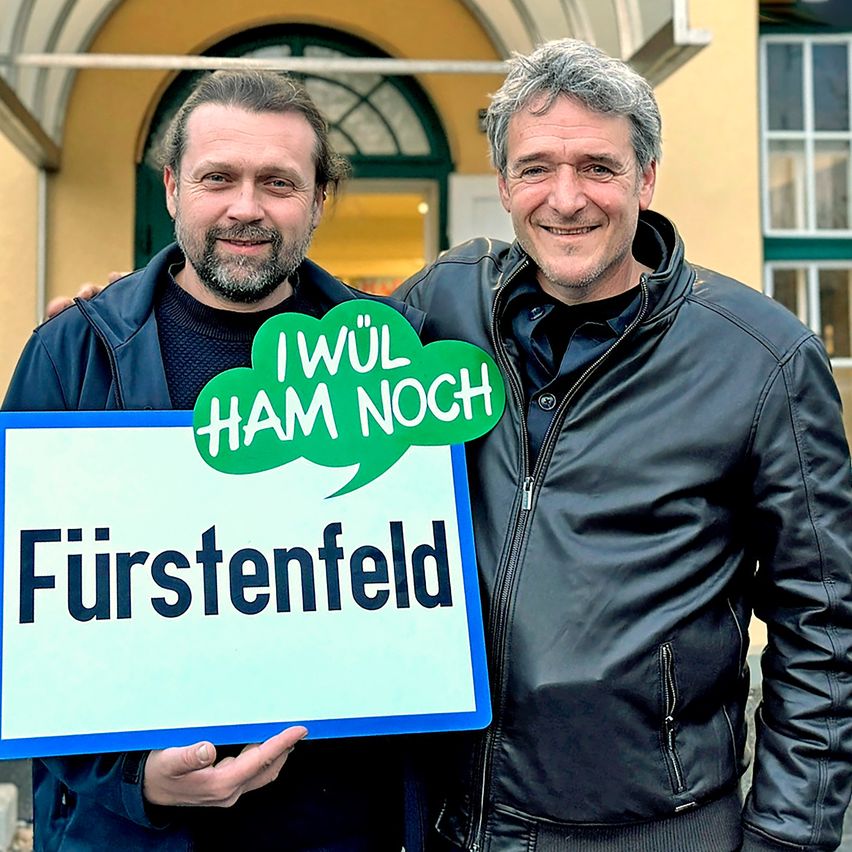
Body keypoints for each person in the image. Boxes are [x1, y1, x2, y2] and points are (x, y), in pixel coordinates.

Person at [394, 38, 852, 852]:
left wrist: (788, 839)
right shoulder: (443, 306)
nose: (565, 199)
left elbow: (823, 624)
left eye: (598, 168)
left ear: (645, 178)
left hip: (654, 827)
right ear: (503, 185)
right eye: (536, 168)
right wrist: (118, 317)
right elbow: (308, 393)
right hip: (454, 818)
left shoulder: (762, 358)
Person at [3, 69, 426, 852]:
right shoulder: (73, 353)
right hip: (129, 834)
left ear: (320, 198)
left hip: (338, 826)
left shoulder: (392, 360)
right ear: (171, 187)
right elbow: (24, 613)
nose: (246, 207)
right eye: (218, 178)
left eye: (279, 182)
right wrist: (130, 777)